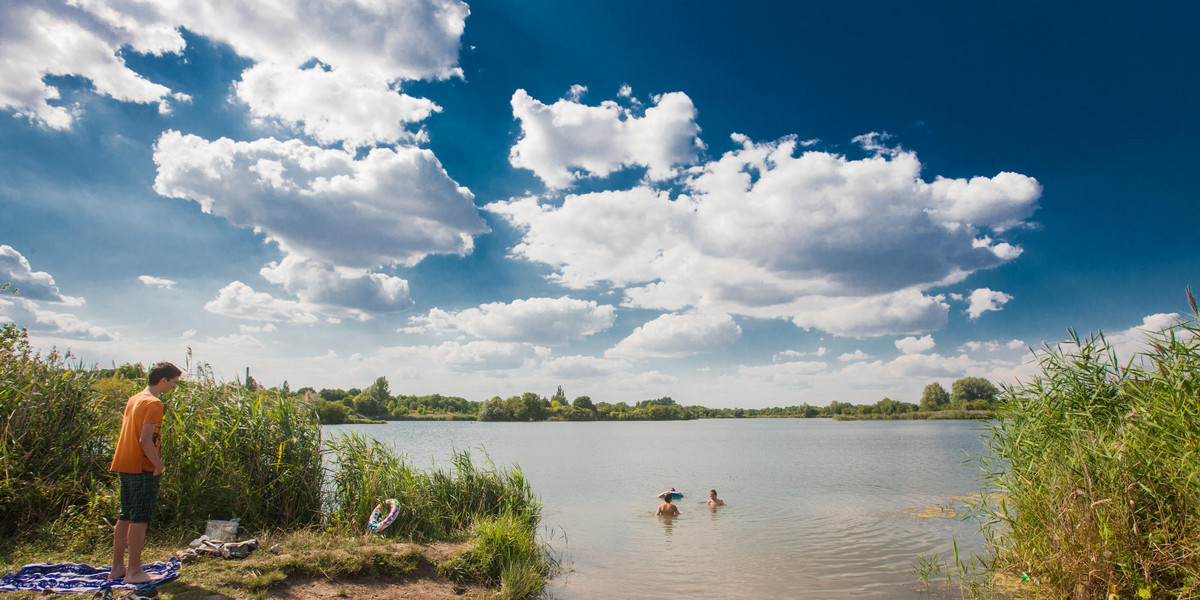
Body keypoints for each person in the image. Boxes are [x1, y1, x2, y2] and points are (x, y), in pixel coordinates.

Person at [108, 362, 182, 584]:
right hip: (142, 467)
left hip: (124, 462)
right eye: (174, 383)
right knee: (139, 518)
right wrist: (157, 464)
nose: (174, 387)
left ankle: (117, 568)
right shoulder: (154, 403)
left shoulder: (135, 399)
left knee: (125, 515)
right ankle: (134, 572)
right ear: (163, 381)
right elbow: (145, 439)